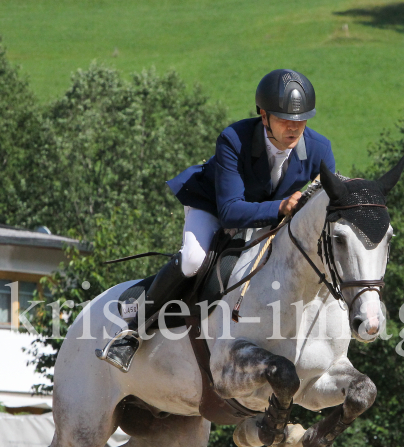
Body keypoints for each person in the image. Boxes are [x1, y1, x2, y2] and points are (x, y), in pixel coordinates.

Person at [97, 68, 337, 372]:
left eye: (301, 120)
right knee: (194, 260)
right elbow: (231, 211)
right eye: (284, 120)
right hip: (213, 205)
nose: (294, 128)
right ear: (263, 116)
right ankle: (132, 330)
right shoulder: (233, 139)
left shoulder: (320, 149)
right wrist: (280, 208)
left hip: (272, 215)